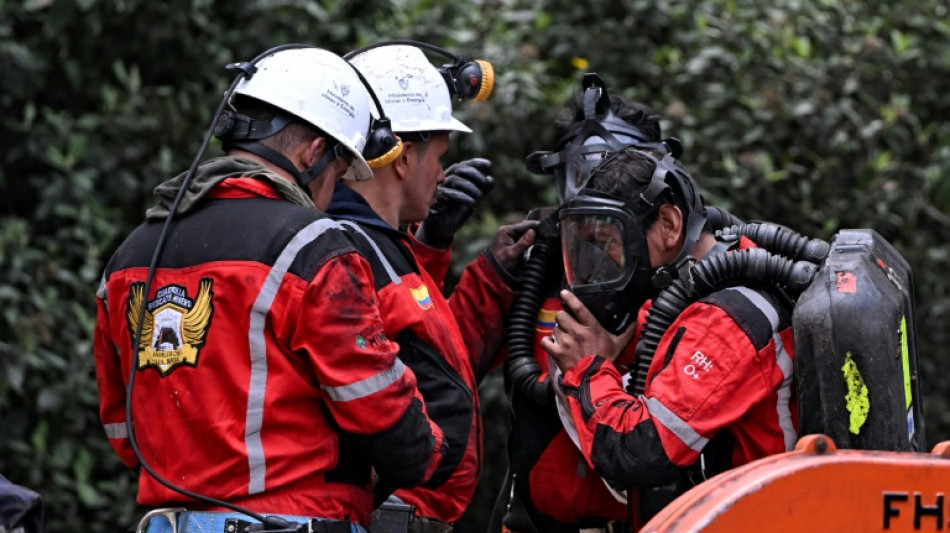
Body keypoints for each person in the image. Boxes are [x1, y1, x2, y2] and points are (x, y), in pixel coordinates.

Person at [93, 46, 446, 533]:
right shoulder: (312, 247)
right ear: (315, 152)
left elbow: (121, 425)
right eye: (339, 176)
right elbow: (386, 421)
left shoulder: (128, 258)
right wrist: (429, 447)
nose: (332, 195)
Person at [326, 43, 537, 530]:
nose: (443, 172)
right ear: (401, 158)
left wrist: (462, 258)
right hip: (384, 517)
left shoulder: (378, 248)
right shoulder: (342, 256)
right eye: (439, 155)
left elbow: (435, 360)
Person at [544, 145, 797, 528]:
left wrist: (588, 367)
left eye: (611, 242)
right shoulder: (684, 294)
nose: (606, 261)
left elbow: (641, 453)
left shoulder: (728, 322)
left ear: (668, 224)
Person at [498, 74, 674, 533]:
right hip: (535, 519)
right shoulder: (530, 266)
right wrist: (484, 268)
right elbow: (448, 359)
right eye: (587, 173)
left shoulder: (671, 280)